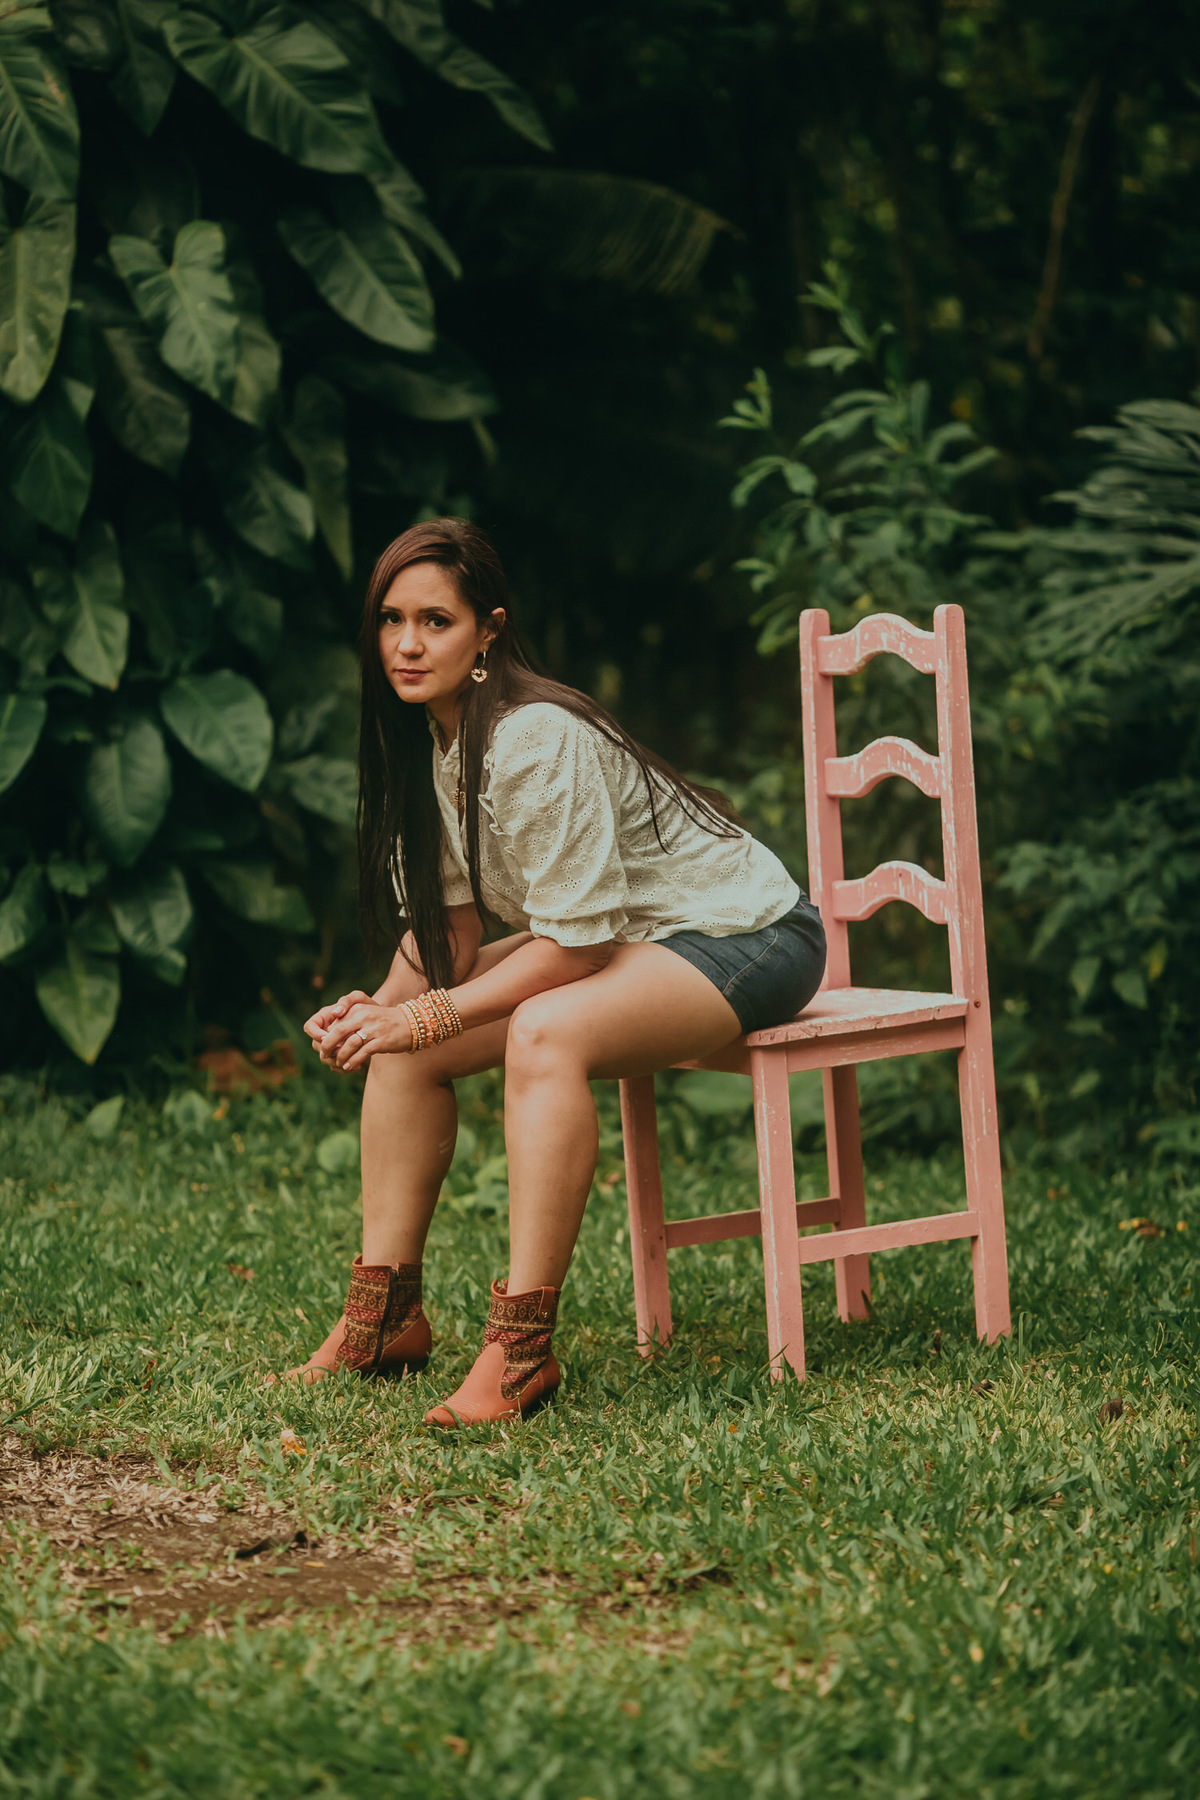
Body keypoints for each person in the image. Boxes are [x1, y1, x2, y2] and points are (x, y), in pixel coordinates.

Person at [278, 518, 825, 1424]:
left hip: (746, 934)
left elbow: (577, 950)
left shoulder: (535, 738)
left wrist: (424, 1014)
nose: (408, 644)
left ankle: (521, 1352)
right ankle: (384, 1321)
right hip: (629, 941)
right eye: (391, 620)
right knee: (404, 1050)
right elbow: (448, 933)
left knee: (542, 1031)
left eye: (436, 621)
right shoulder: (427, 741)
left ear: (487, 631)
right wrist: (377, 1013)